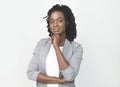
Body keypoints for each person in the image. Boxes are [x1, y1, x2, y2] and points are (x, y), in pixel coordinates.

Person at [27, 4, 83, 87]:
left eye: (60, 20)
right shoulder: (42, 44)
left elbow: (69, 76)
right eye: (51, 21)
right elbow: (31, 73)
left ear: (67, 22)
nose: (55, 25)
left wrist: (56, 47)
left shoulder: (76, 48)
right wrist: (60, 80)